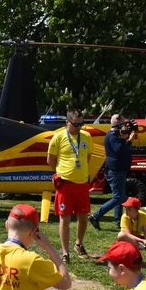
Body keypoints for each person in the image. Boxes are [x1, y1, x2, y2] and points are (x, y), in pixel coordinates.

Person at [47, 109, 93, 262]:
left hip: (82, 184)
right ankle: (65, 252)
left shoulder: (86, 137)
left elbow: (88, 157)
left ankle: (78, 244)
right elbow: (50, 160)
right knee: (65, 219)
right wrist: (61, 172)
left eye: (81, 124)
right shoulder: (58, 137)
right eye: (75, 124)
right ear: (67, 122)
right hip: (65, 183)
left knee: (83, 217)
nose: (79, 127)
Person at [90, 113, 136, 232]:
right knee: (118, 198)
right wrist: (129, 140)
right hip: (115, 171)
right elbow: (120, 149)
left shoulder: (116, 135)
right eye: (122, 122)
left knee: (119, 197)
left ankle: (118, 222)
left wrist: (126, 136)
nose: (125, 126)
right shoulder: (112, 136)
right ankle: (96, 215)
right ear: (117, 122)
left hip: (118, 170)